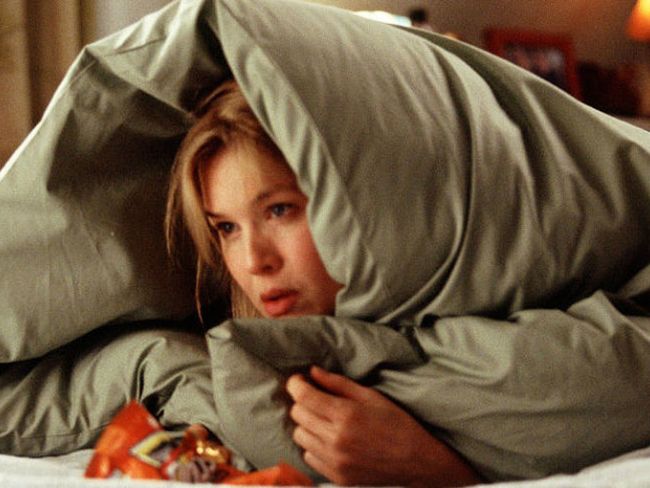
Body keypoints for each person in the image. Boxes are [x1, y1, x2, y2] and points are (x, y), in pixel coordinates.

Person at [165, 79, 481, 487]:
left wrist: (430, 467)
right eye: (227, 227)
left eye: (280, 210)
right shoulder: (222, 375)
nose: (254, 262)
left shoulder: (476, 342)